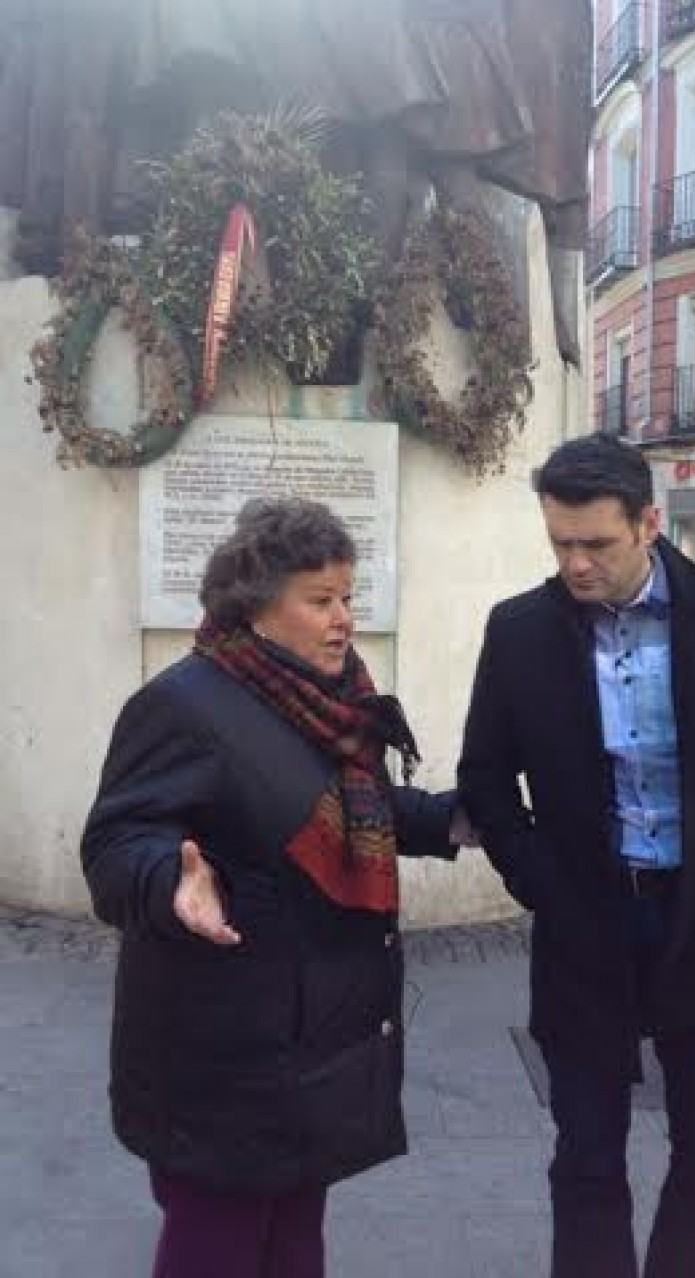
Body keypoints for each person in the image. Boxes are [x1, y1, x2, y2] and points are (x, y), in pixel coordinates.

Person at [457, 432, 695, 1278]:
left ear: (649, 523)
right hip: (587, 924)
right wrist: (538, 877)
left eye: (596, 544)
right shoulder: (522, 632)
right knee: (585, 1160)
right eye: (559, 543)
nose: (575, 564)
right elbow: (484, 773)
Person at [81, 497, 470, 1278]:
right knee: (216, 1246)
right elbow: (118, 840)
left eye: (348, 598)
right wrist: (172, 886)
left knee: (295, 1243)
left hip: (312, 1042)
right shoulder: (185, 705)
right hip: (219, 1050)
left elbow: (360, 809)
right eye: (319, 600)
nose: (343, 619)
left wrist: (460, 822)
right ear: (258, 607)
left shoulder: (333, 702)